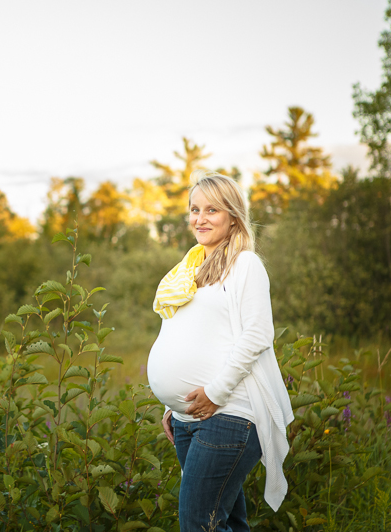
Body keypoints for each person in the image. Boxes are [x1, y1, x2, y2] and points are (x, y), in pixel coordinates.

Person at [147, 170, 293, 532]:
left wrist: (214, 392)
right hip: (188, 418)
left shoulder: (245, 264)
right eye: (195, 209)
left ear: (233, 215)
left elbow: (258, 335)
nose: (200, 218)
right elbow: (191, 334)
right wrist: (173, 404)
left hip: (229, 412)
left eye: (212, 210)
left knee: (198, 523)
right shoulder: (188, 269)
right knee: (226, 522)